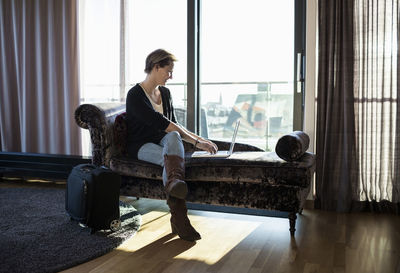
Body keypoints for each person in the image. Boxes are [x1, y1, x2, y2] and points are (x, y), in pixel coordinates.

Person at [126, 49, 218, 241]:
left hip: (164, 142)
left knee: (174, 138)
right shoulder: (135, 95)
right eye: (168, 71)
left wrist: (201, 139)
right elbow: (161, 123)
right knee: (173, 160)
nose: (171, 76)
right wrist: (196, 142)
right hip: (141, 145)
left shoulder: (165, 93)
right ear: (155, 66)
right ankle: (180, 217)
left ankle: (175, 183)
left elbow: (174, 125)